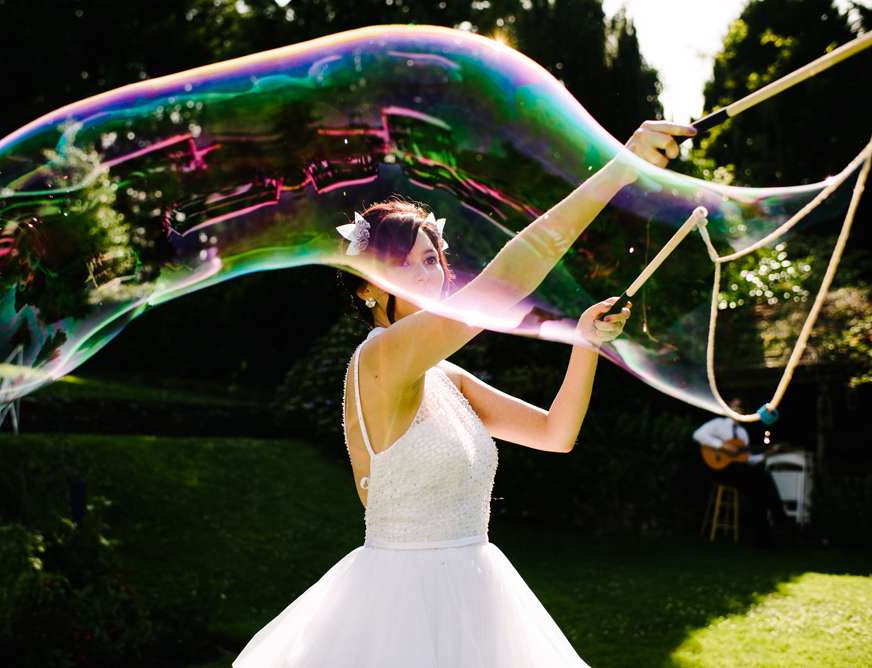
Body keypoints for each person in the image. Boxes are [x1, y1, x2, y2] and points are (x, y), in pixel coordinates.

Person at [233, 120, 695, 667]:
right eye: (400, 263)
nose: (423, 274)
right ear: (366, 285)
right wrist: (620, 170)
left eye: (431, 260)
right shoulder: (380, 358)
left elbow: (556, 433)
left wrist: (585, 342)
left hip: (475, 592)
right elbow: (507, 283)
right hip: (401, 609)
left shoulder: (446, 377)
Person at [693, 398, 789, 547]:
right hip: (718, 470)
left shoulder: (743, 433)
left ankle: (766, 536)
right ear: (728, 407)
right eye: (735, 406)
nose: (738, 409)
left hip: (739, 472)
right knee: (760, 480)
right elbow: (698, 435)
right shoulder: (718, 424)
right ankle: (780, 522)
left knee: (759, 486)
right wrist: (721, 445)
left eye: (741, 407)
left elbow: (746, 458)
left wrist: (766, 455)